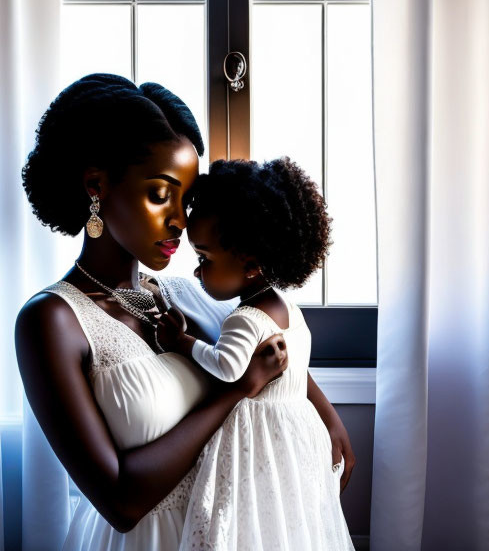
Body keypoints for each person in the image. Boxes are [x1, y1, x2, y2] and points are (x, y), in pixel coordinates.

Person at [15, 73, 288, 550]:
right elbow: (120, 500)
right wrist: (235, 393)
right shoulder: (52, 322)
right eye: (162, 195)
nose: (180, 220)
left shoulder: (187, 293)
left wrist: (326, 414)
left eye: (186, 199)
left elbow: (269, 338)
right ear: (96, 185)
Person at [157, 157, 356, 550]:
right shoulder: (288, 309)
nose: (197, 273)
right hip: (298, 436)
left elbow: (229, 369)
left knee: (245, 527)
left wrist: (181, 342)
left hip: (257, 443)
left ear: (249, 265)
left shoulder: (245, 318)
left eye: (204, 259)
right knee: (287, 526)